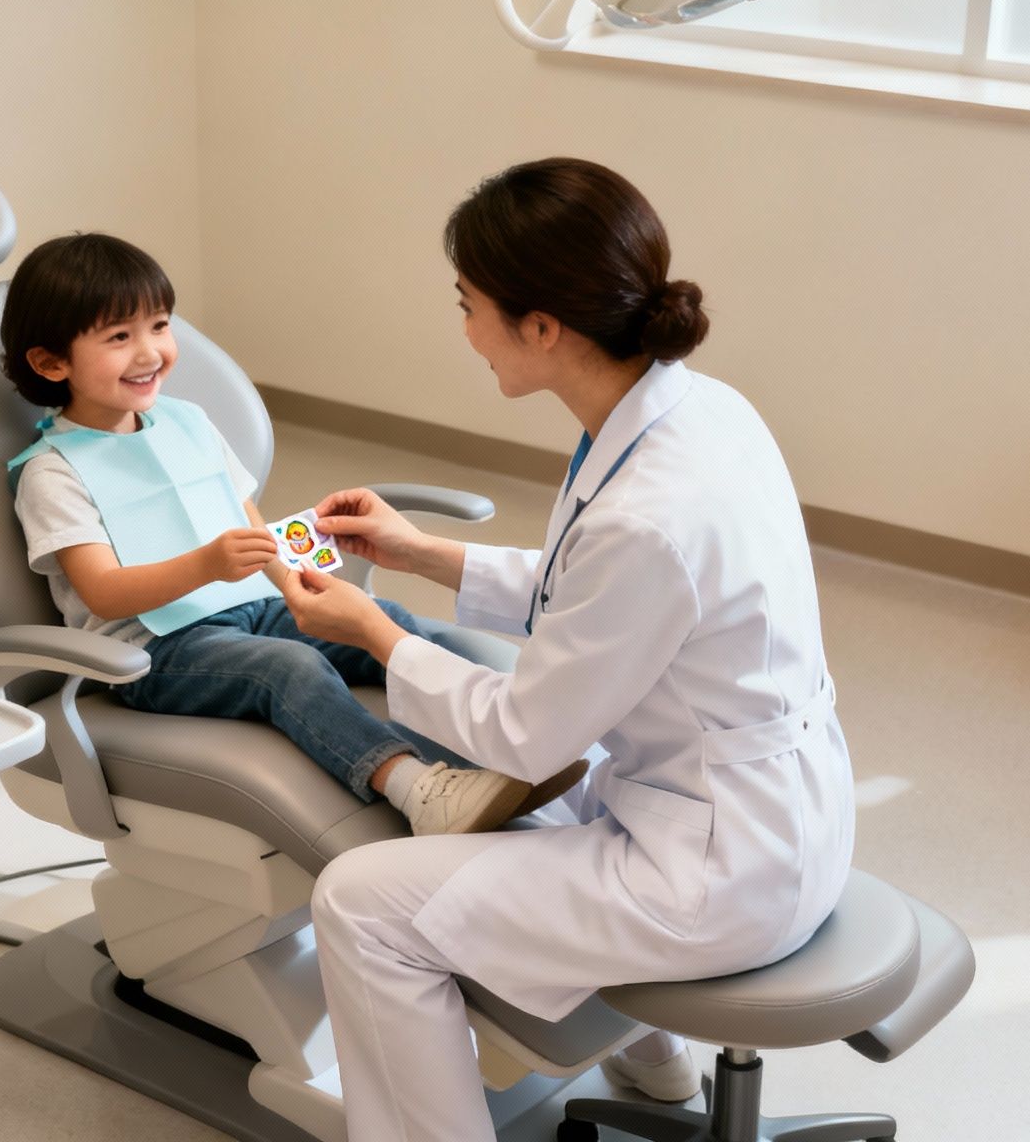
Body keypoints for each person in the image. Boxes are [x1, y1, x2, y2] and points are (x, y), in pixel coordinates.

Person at [277, 158, 856, 1140]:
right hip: (780, 813)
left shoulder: (648, 512)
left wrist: (371, 629)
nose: (462, 330)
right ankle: (659, 1073)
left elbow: (521, 731)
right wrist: (422, 554)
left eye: (467, 305)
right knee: (525, 816)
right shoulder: (699, 412)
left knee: (362, 905)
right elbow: (594, 596)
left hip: (713, 873)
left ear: (540, 326)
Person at [0, 232, 586, 836]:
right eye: (120, 337)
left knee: (381, 620)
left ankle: (510, 742)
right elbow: (101, 592)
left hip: (253, 603)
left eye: (159, 325)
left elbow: (244, 514)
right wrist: (207, 566)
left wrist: (293, 583)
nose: (150, 351)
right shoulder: (52, 472)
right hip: (154, 652)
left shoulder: (186, 421)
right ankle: (419, 791)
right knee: (288, 671)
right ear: (51, 362)